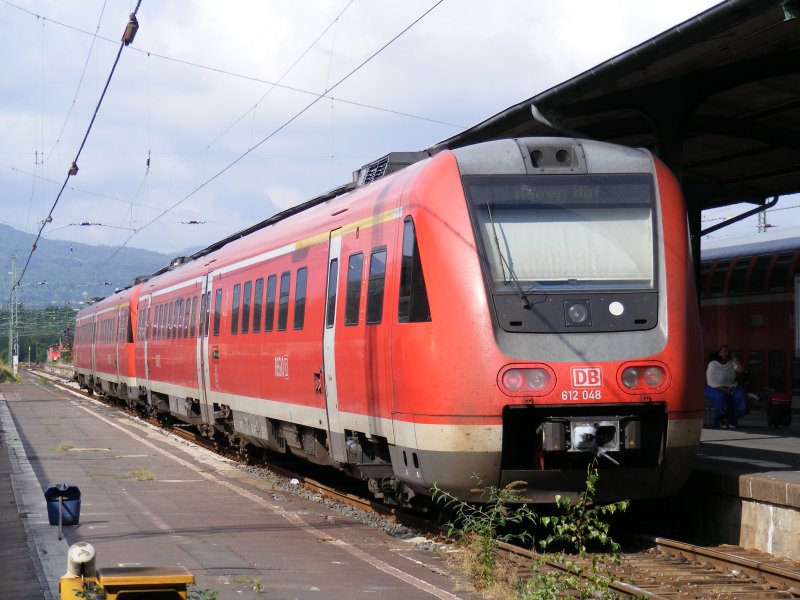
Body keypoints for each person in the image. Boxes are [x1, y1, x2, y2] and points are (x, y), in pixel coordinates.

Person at [704, 345, 747, 428]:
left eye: (728, 352)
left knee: (739, 395)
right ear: (720, 353)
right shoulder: (713, 364)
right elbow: (711, 381)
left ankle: (732, 419)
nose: (727, 353)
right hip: (713, 388)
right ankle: (719, 419)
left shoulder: (731, 364)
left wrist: (735, 360)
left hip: (730, 387)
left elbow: (741, 370)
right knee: (721, 396)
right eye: (725, 351)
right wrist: (724, 390)